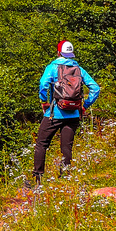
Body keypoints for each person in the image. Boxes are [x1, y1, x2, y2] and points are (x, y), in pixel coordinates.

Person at [33, 40, 99, 183]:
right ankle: (65, 178)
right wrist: (84, 106)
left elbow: (43, 85)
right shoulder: (79, 69)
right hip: (74, 114)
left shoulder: (52, 67)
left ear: (58, 52)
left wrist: (44, 102)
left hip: (54, 113)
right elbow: (95, 88)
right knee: (66, 147)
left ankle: (37, 179)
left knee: (41, 144)